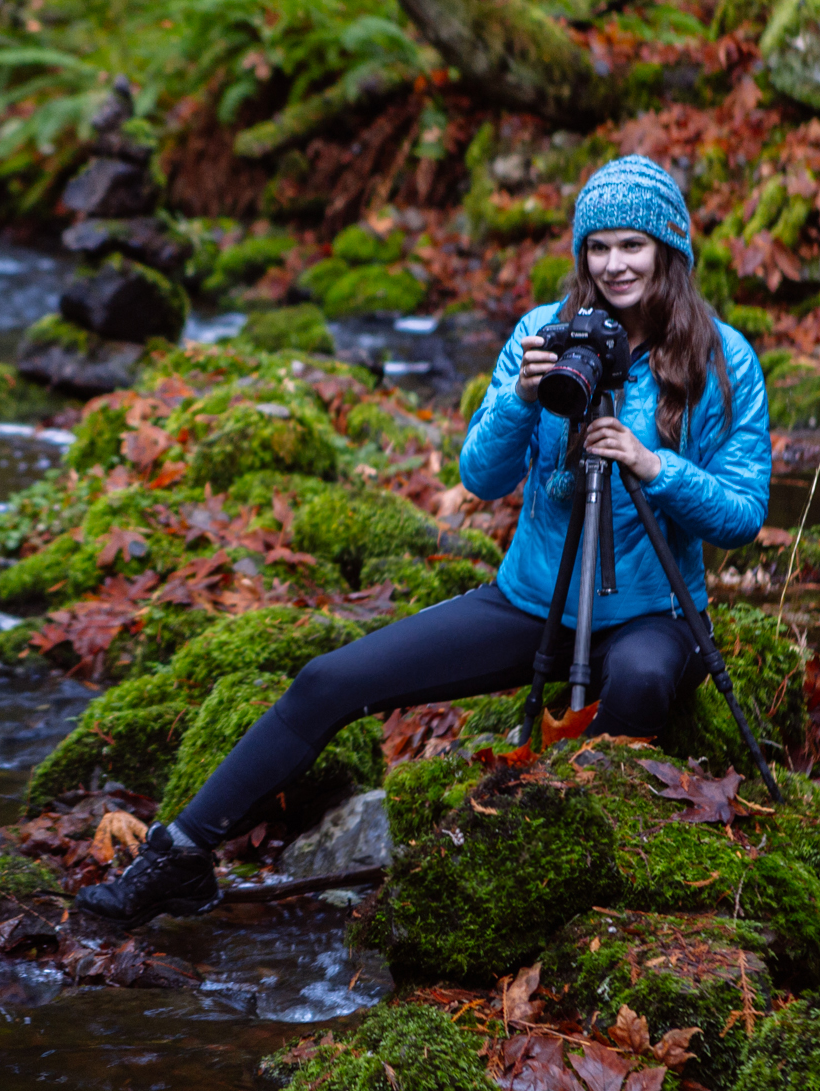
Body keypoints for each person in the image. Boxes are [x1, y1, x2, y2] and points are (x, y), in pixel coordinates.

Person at [77, 155, 773, 925]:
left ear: (668, 250)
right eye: (597, 246)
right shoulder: (542, 335)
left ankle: (569, 866)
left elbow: (742, 515)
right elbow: (481, 476)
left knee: (640, 676)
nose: (613, 264)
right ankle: (178, 854)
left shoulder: (722, 358)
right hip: (533, 599)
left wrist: (653, 464)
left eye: (631, 246)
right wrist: (518, 399)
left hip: (653, 614)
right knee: (328, 679)